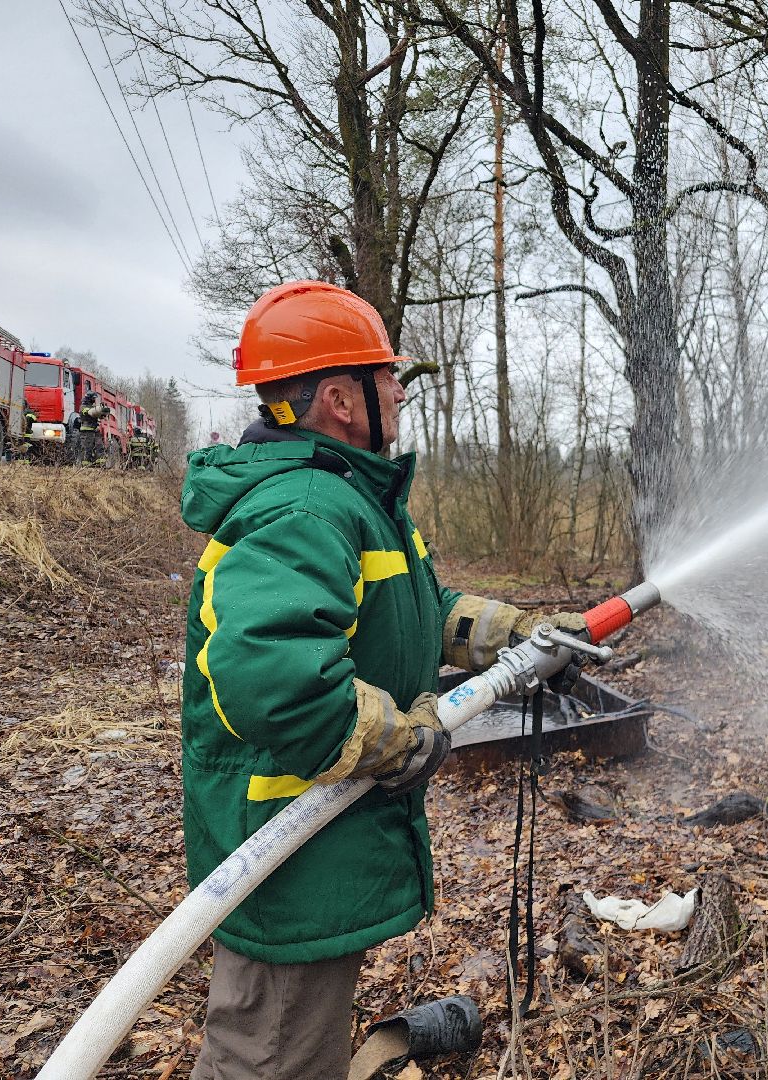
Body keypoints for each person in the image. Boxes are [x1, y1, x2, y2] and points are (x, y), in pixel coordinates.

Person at [179, 280, 587, 1079]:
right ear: (339, 398)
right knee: (269, 1056)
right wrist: (399, 739)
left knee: (299, 1041)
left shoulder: (348, 499)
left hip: (315, 839)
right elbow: (270, 673)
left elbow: (410, 609)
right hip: (288, 845)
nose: (400, 390)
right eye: (386, 375)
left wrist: (506, 633)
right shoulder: (306, 506)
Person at [76, 391, 110, 466]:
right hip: (86, 432)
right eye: (93, 398)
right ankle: (86, 466)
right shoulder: (83, 407)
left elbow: (97, 415)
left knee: (99, 446)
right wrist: (100, 409)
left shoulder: (91, 407)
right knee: (87, 449)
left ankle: (100, 464)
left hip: (95, 431)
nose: (94, 400)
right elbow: (91, 412)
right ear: (89, 398)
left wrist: (103, 413)